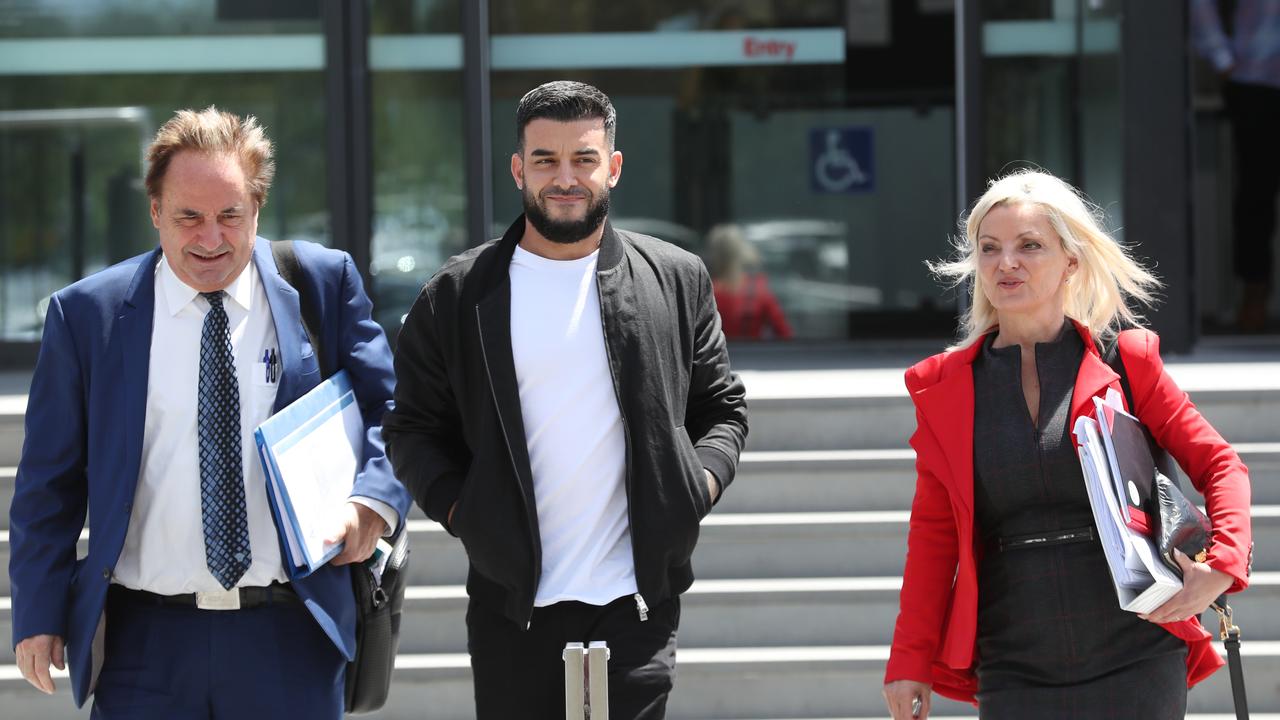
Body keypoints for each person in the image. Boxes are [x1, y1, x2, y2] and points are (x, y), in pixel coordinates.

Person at [8, 107, 411, 718]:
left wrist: (373, 504)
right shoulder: (87, 316)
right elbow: (48, 481)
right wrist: (38, 612)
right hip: (143, 646)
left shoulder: (321, 284)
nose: (210, 238)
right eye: (188, 217)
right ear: (154, 213)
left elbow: (395, 412)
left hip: (290, 636)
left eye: (230, 216)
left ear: (257, 209)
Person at [383, 81, 748, 719]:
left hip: (638, 608)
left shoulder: (676, 277)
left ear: (613, 165)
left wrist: (698, 486)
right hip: (512, 613)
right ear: (519, 169)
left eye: (583, 158)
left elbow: (721, 410)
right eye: (546, 160)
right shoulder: (459, 294)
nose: (565, 178)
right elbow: (412, 427)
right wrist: (465, 509)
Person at [881, 169, 1253, 719]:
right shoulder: (947, 388)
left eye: (1029, 246)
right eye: (990, 248)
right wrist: (910, 658)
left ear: (1070, 262)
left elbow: (1222, 464)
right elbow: (933, 534)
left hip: (1138, 645)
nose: (1006, 263)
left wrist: (1223, 563)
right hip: (1013, 657)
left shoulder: (1127, 362)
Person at [1191, 0, 1280, 331]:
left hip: (1254, 74)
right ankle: (1253, 293)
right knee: (1256, 194)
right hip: (1256, 76)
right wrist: (1222, 57)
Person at [707, 223, 793, 340]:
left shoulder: (705, 294)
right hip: (752, 356)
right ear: (741, 252)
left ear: (713, 255)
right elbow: (785, 335)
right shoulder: (759, 292)